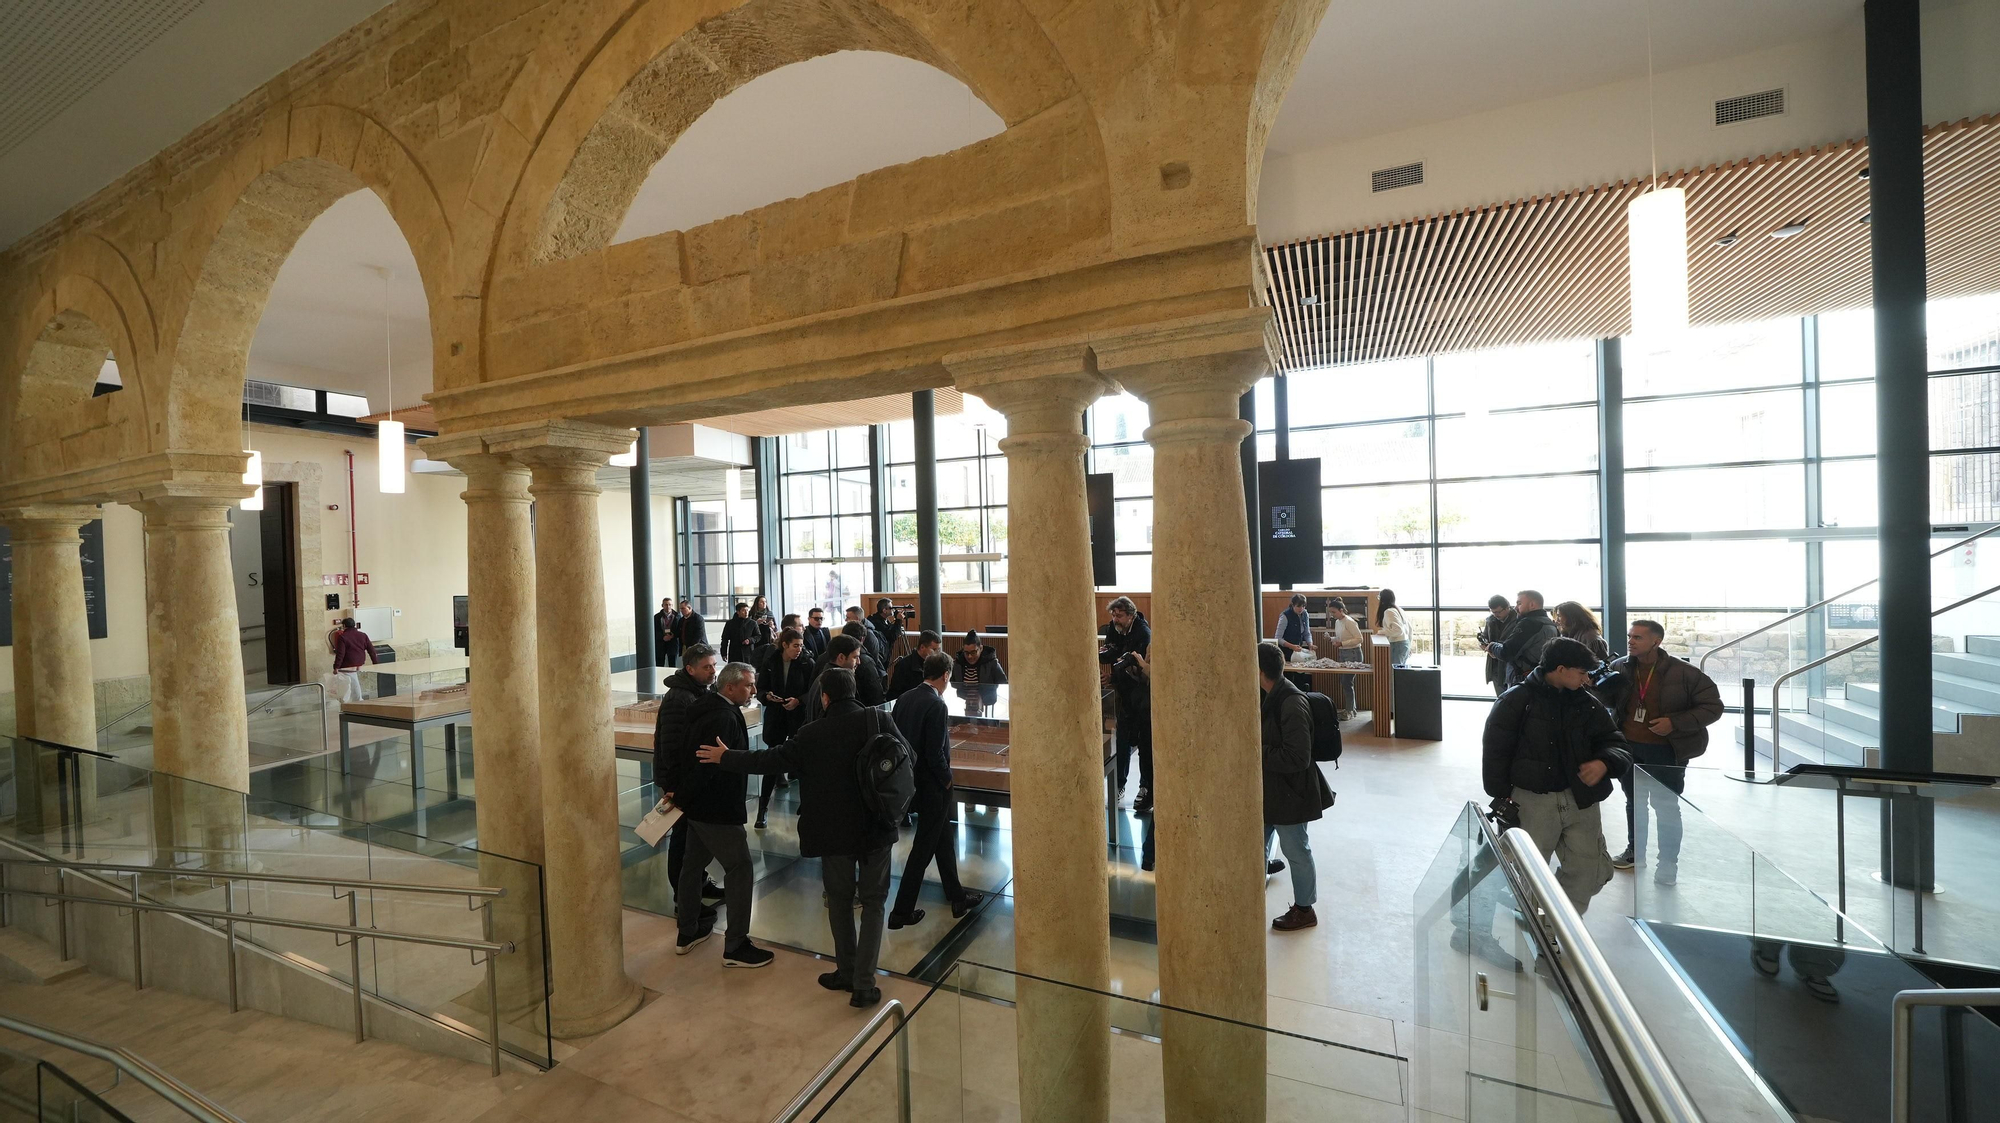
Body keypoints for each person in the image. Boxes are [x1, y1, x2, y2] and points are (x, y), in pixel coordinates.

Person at [699, 668, 899, 1007]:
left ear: (824, 697)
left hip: (834, 832)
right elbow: (906, 759)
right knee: (874, 903)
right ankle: (865, 984)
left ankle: (846, 972)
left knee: (838, 901)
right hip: (877, 828)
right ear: (854, 691)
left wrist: (726, 757)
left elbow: (768, 760)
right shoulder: (878, 720)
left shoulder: (811, 733)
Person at [1482, 638, 1631, 913]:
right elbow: (1495, 752)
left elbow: (1615, 742)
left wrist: (1604, 762)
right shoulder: (1516, 700)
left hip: (1581, 799)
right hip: (1532, 802)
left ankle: (1560, 931)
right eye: (1581, 672)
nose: (1587, 679)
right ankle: (1540, 933)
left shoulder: (1587, 704)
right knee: (1529, 874)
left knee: (1590, 871)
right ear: (1560, 669)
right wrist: (1504, 797)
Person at [1595, 619, 1723, 884]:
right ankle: (1635, 853)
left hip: (1667, 750)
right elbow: (1608, 703)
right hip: (1629, 749)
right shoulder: (1620, 668)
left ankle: (1667, 864)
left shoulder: (1684, 673)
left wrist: (1674, 723)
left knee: (1666, 807)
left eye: (1638, 637)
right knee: (1634, 803)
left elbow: (1713, 707)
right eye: (1630, 636)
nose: (1631, 641)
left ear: (1657, 641)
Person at [674, 662, 774, 968]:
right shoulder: (724, 717)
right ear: (729, 687)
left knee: (692, 866)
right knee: (741, 869)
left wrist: (681, 796)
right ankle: (736, 946)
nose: (754, 691)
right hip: (718, 811)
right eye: (748, 685)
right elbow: (711, 765)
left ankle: (687, 932)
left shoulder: (703, 706)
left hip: (697, 807)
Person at [889, 652, 985, 927]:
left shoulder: (906, 698)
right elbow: (934, 752)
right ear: (945, 675)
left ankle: (956, 897)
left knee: (943, 841)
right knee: (923, 849)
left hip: (911, 782)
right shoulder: (936, 704)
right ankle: (900, 911)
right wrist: (947, 780)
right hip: (933, 787)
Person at [1259, 642, 1331, 933]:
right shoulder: (1270, 695)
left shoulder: (1291, 702)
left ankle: (1305, 909)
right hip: (1271, 790)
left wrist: (1257, 751)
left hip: (1290, 793)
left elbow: (1298, 757)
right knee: (1256, 846)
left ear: (1260, 671)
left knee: (1296, 851)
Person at [653, 643, 724, 909]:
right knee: (682, 841)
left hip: (690, 779)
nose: (713, 671)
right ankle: (682, 897)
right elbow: (671, 747)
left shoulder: (698, 692)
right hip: (680, 782)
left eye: (714, 666)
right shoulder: (679, 698)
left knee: (695, 839)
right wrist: (674, 787)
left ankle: (699, 884)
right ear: (690, 669)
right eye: (707, 667)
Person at [753, 628, 817, 829]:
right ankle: (763, 808)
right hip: (776, 716)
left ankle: (807, 808)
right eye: (795, 646)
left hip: (798, 718)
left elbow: (812, 692)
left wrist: (799, 701)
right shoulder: (771, 661)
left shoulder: (807, 663)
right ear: (785, 645)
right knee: (772, 761)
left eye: (801, 645)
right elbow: (760, 689)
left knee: (804, 764)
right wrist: (767, 697)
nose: (799, 649)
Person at [1099, 598, 1151, 814]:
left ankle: (1146, 787)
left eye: (1119, 615)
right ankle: (1119, 784)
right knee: (1122, 741)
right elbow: (1112, 652)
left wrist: (1112, 676)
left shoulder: (1143, 633)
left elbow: (1135, 666)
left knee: (1145, 744)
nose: (1115, 619)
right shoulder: (1114, 627)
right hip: (1122, 694)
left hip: (1141, 694)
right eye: (1113, 615)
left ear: (1131, 614)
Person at [1488, 590, 1556, 691]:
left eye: (1519, 603)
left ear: (1532, 604)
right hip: (1539, 680)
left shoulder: (1529, 624)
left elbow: (1507, 652)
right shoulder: (1549, 624)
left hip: (1523, 683)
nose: (1515, 608)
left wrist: (1493, 646)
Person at [807, 635, 880, 722]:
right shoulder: (835, 684)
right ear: (841, 657)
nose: (859, 662)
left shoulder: (824, 678)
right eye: (855, 657)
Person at [1324, 602, 1365, 720]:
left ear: (1341, 610)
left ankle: (1350, 710)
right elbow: (1340, 637)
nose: (1332, 615)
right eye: (1330, 612)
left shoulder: (1349, 621)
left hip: (1353, 653)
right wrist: (1330, 639)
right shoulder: (1338, 622)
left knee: (1347, 682)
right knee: (1345, 682)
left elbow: (1359, 639)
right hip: (1343, 653)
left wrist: (1342, 643)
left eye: (1334, 612)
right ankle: (1351, 709)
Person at [839, 622, 889, 704]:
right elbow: (876, 694)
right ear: (862, 639)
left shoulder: (827, 657)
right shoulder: (866, 661)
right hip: (862, 710)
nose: (857, 661)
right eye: (855, 657)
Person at [1476, 595, 1516, 698]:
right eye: (1493, 612)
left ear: (1507, 607)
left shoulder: (1519, 620)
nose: (1496, 615)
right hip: (1495, 664)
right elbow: (1486, 636)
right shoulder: (1490, 620)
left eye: (1498, 612)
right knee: (1501, 697)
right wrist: (1483, 644)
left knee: (1513, 696)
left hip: (1512, 664)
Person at [330, 617, 376, 703]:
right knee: (354, 682)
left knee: (347, 685)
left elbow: (340, 654)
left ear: (344, 626)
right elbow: (372, 651)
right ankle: (357, 700)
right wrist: (376, 663)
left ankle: (349, 702)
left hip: (347, 664)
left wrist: (336, 666)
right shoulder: (363, 635)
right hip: (359, 663)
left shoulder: (342, 637)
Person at [886, 630, 942, 700]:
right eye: (934, 649)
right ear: (922, 647)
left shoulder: (937, 665)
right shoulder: (903, 665)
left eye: (939, 650)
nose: (937, 653)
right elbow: (894, 694)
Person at [1377, 589, 1412, 666]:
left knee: (1394, 673)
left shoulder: (1389, 611)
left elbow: (1398, 630)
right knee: (1400, 672)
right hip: (1404, 643)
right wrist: (1410, 645)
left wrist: (1381, 632)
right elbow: (1409, 629)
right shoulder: (1399, 609)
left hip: (1397, 644)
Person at [654, 596, 681, 668]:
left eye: (670, 604)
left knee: (672, 664)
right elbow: (654, 630)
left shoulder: (678, 616)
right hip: (660, 643)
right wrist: (663, 637)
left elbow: (680, 630)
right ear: (662, 606)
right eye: (666, 604)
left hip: (673, 643)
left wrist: (672, 636)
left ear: (672, 605)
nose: (668, 606)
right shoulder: (656, 617)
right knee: (659, 664)